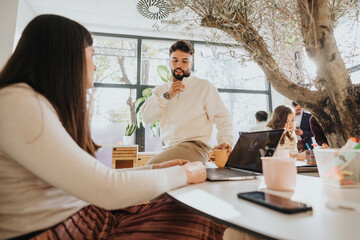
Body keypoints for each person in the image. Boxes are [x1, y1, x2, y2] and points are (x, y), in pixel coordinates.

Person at [0, 15, 226, 239]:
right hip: (65, 226)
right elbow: (106, 184)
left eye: (184, 61)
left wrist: (155, 170)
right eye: (92, 55)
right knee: (196, 219)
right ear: (64, 58)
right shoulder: (19, 102)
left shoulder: (34, 104)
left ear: (191, 62)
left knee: (194, 213)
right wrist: (181, 172)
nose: (95, 65)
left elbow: (97, 180)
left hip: (86, 212)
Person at [140, 40, 234, 164]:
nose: (179, 65)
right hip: (170, 148)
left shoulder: (204, 86)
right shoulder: (161, 91)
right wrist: (167, 95)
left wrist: (224, 142)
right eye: (175, 60)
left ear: (191, 63)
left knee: (153, 166)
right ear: (169, 62)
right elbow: (146, 117)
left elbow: (223, 118)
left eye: (184, 61)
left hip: (197, 147)